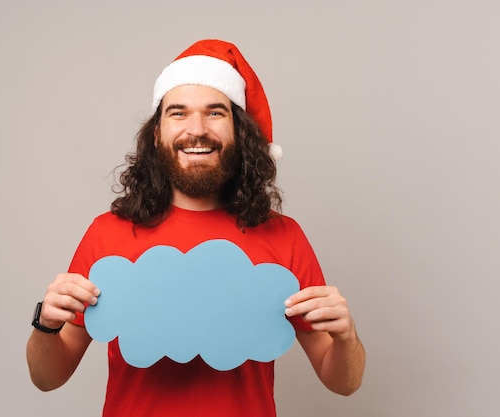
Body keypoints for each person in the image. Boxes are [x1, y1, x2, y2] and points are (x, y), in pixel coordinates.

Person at [26, 39, 365, 416]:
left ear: (239, 132)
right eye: (178, 113)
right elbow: (47, 378)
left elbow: (342, 383)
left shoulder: (284, 236)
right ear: (156, 134)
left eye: (215, 112)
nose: (197, 129)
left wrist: (346, 337)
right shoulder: (107, 234)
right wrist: (46, 325)